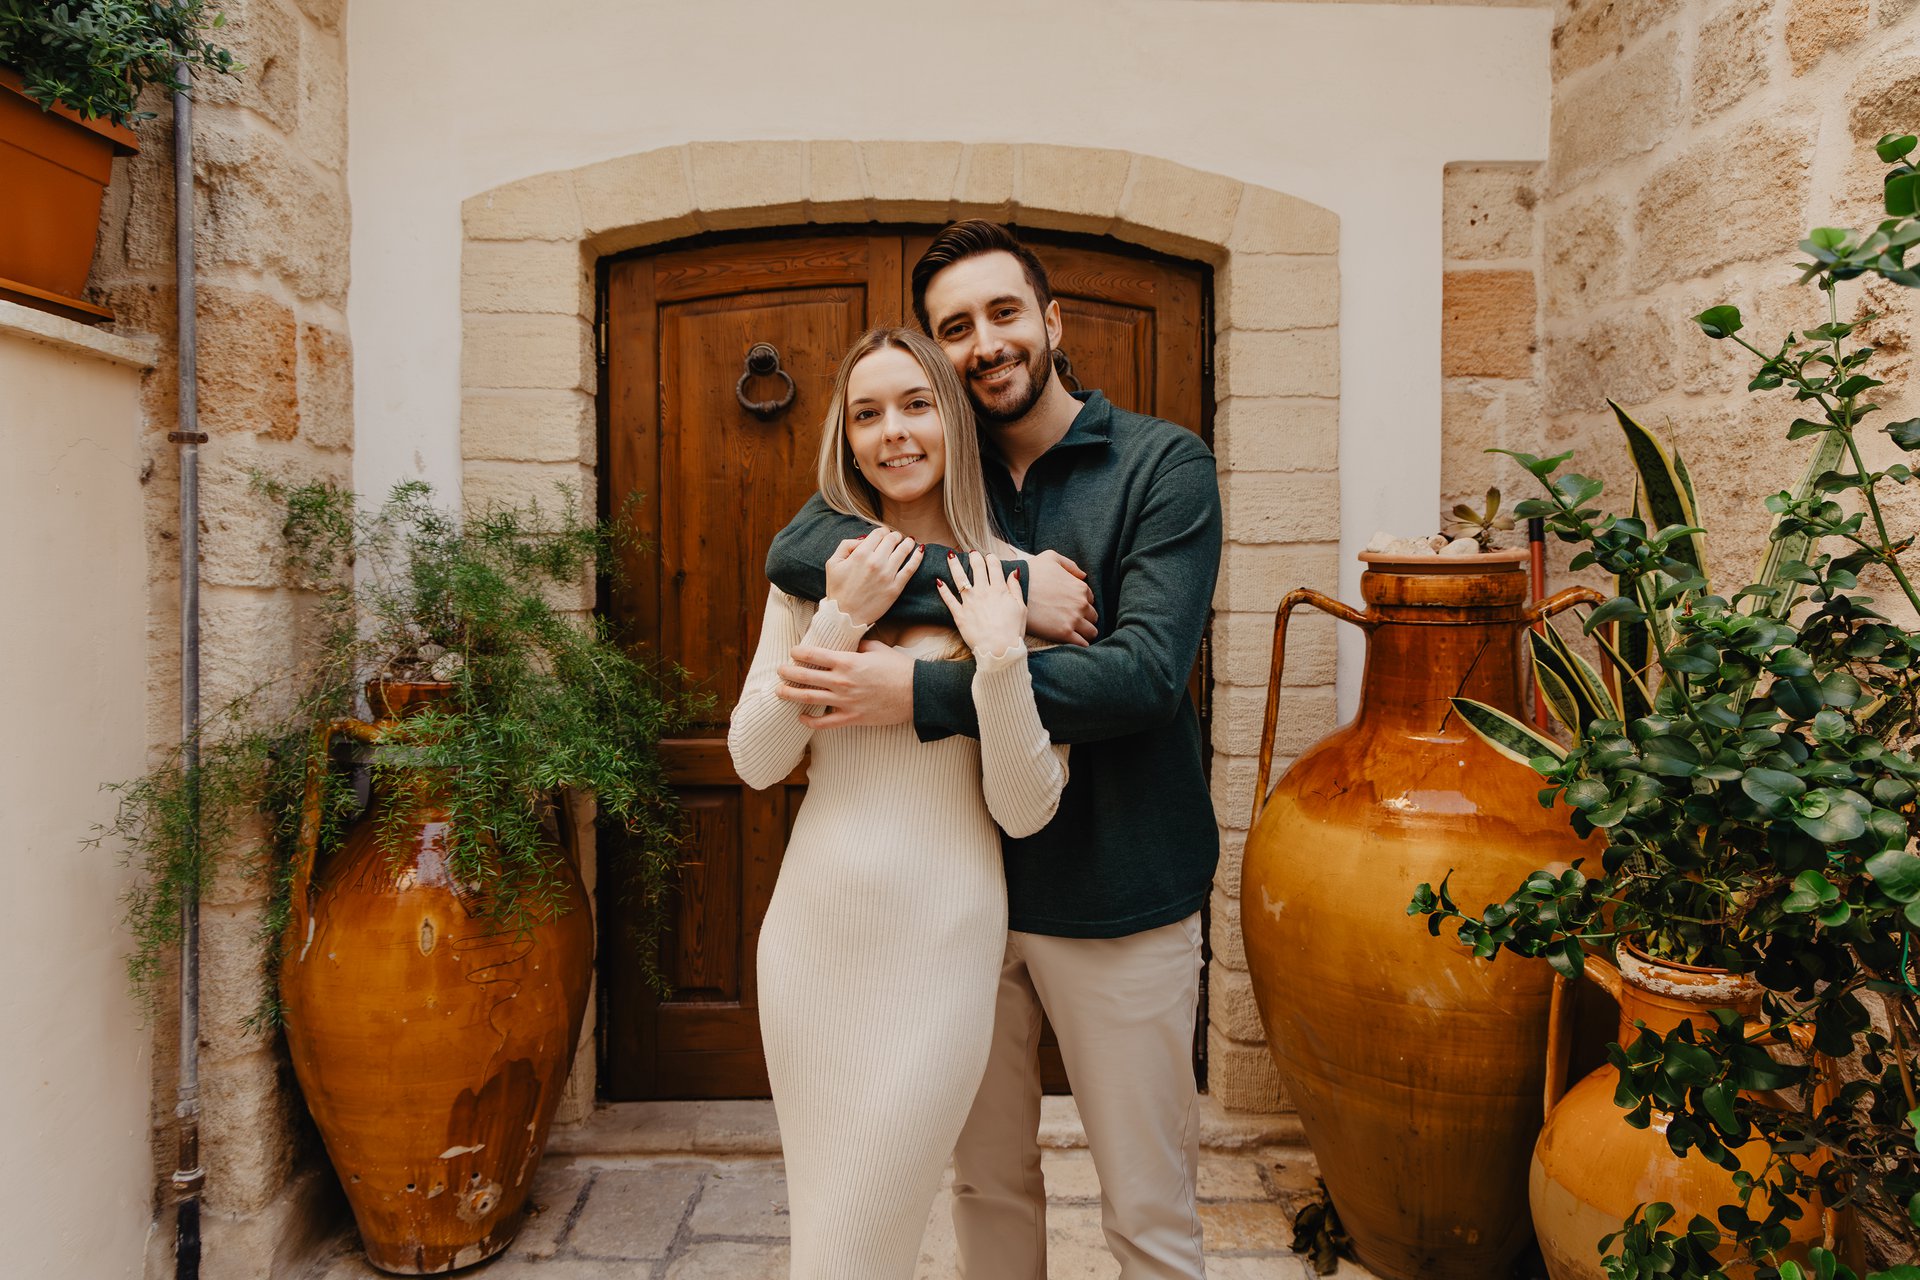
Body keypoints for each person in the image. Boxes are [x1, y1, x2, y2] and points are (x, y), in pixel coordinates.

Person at [764, 220, 1223, 1280]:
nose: (986, 343)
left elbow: (1143, 677)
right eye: (955, 327)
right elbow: (800, 547)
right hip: (964, 908)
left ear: (1051, 322)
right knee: (987, 1189)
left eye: (1004, 313)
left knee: (1148, 1214)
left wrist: (919, 691)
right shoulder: (934, 462)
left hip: (1119, 892)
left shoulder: (1159, 463)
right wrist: (1014, 585)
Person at [727, 325, 1069, 1280]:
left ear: (954, 419)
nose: (894, 433)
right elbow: (756, 757)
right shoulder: (816, 581)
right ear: (845, 437)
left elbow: (1027, 808)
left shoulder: (1013, 584)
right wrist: (841, 616)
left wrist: (999, 657)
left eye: (917, 405)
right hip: (815, 939)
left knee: (860, 1238)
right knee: (829, 1239)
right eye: (867, 414)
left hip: (942, 945)